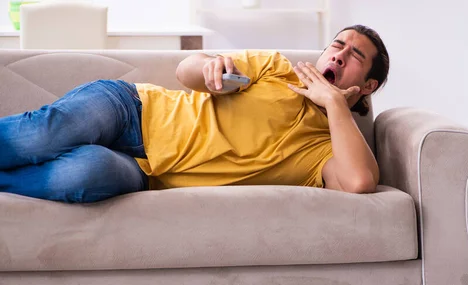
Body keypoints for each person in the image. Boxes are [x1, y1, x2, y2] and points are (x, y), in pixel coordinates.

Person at [0, 24, 389, 203]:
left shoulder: (323, 151)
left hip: (144, 175)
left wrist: (335, 103)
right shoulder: (275, 68)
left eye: (355, 56)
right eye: (336, 45)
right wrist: (207, 67)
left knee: (79, 177)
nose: (338, 54)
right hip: (133, 110)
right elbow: (187, 70)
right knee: (40, 137)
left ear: (368, 87)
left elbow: (358, 183)